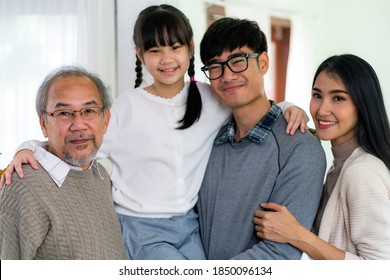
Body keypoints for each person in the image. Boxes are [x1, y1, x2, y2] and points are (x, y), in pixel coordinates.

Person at [0, 5, 307, 260]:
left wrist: (289, 107)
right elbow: (81, 140)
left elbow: (250, 103)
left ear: (189, 50)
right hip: (141, 228)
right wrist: (28, 147)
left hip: (190, 226)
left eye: (175, 47)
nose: (166, 58)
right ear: (140, 54)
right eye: (155, 50)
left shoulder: (211, 99)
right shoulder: (125, 108)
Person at [197, 17, 326, 260]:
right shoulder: (209, 139)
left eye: (237, 61)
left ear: (263, 62)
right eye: (215, 66)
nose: (226, 76)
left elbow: (280, 254)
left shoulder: (300, 148)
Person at [253, 54, 390, 260]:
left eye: (338, 98)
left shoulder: (362, 172)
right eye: (317, 95)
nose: (321, 109)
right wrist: (290, 107)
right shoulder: (342, 163)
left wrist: (296, 234)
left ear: (363, 105)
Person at [0, 66, 127, 259]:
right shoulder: (24, 185)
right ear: (43, 123)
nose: (78, 124)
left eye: (89, 110)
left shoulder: (100, 175)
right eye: (64, 113)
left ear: (105, 120)